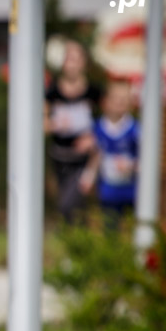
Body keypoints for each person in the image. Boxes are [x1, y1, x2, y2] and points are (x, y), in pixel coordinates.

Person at [44, 39, 101, 224]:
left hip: (84, 160)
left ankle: (77, 244)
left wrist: (93, 138)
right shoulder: (51, 92)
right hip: (60, 158)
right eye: (69, 59)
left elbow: (108, 122)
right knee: (71, 208)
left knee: (69, 204)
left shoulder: (94, 92)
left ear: (84, 62)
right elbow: (41, 123)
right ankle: (75, 244)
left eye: (76, 59)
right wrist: (55, 124)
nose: (72, 64)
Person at [85, 80, 140, 229]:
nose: (120, 103)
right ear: (106, 101)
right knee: (110, 229)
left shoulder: (135, 130)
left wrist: (130, 165)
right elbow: (96, 156)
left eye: (124, 99)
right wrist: (88, 177)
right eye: (116, 98)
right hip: (108, 192)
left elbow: (144, 162)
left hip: (132, 192)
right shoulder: (98, 128)